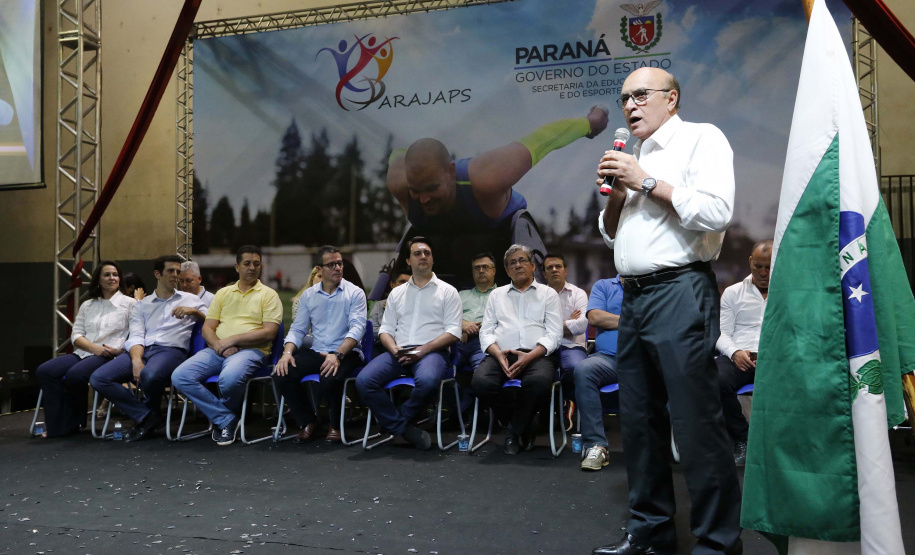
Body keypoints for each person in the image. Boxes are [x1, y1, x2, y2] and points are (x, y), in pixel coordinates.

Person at [592, 68, 741, 555]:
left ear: (671, 98)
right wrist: (617, 193)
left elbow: (717, 212)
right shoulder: (630, 156)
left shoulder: (701, 140)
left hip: (680, 290)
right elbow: (612, 234)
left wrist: (647, 180)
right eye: (624, 100)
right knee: (638, 422)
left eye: (640, 96)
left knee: (696, 423)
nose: (630, 106)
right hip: (634, 296)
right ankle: (651, 536)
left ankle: (718, 544)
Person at [385, 107, 609, 288]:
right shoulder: (399, 181)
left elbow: (543, 140)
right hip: (447, 257)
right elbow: (397, 152)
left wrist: (590, 123)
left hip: (502, 244)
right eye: (417, 190)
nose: (423, 199)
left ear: (451, 172)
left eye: (432, 188)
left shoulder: (487, 178)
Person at [355, 237, 462, 450]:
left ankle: (399, 421)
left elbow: (453, 332)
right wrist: (393, 348)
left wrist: (423, 350)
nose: (423, 256)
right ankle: (404, 429)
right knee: (364, 381)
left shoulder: (448, 291)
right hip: (399, 351)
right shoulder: (397, 293)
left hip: (432, 352)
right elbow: (385, 330)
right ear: (408, 260)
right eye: (417, 253)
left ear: (432, 259)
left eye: (427, 253)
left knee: (429, 380)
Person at [171, 245, 282, 446]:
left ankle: (222, 421)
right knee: (180, 376)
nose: (252, 267)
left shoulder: (269, 295)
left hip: (252, 351)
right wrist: (219, 345)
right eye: (247, 263)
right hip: (218, 350)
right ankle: (226, 419)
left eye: (256, 264)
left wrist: (232, 341)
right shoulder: (223, 293)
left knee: (228, 379)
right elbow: (207, 328)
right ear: (237, 266)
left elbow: (269, 332)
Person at [90, 255, 208, 442]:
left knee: (149, 375)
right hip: (141, 350)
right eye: (170, 271)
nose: (175, 275)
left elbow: (214, 320)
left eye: (178, 271)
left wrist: (195, 312)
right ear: (157, 274)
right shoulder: (142, 305)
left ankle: (146, 419)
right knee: (98, 378)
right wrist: (136, 360)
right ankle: (147, 416)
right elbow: (136, 335)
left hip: (171, 350)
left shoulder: (190, 300)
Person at [472, 244, 562, 455]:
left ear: (533, 266)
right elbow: (486, 331)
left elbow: (554, 334)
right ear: (506, 270)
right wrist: (497, 354)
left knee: (538, 383)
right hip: (501, 354)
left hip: (537, 354)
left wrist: (530, 356)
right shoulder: (497, 295)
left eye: (522, 260)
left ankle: (514, 430)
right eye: (512, 262)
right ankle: (523, 421)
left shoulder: (548, 294)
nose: (518, 265)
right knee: (480, 383)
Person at [272, 246, 367, 444]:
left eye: (339, 263)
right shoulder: (309, 295)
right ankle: (308, 421)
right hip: (318, 350)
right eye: (331, 264)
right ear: (319, 270)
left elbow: (357, 330)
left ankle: (335, 425)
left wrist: (338, 355)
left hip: (347, 352)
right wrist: (287, 353)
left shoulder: (355, 293)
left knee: (329, 375)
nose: (338, 268)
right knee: (282, 372)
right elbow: (298, 329)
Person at [35, 261, 135, 437]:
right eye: (107, 274)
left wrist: (118, 351)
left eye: (115, 274)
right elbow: (76, 335)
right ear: (98, 280)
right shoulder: (88, 305)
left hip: (109, 355)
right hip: (84, 352)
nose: (112, 278)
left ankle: (73, 423)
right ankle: (57, 424)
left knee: (75, 375)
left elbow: (135, 335)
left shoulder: (130, 304)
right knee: (45, 371)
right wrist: (93, 348)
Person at [716, 240, 771, 466]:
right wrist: (735, 352)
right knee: (714, 380)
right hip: (739, 358)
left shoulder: (788, 295)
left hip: (775, 359)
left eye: (769, 267)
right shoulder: (732, 293)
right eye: (758, 266)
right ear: (750, 262)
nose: (764, 272)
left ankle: (782, 442)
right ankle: (742, 437)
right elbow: (721, 334)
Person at [574, 276, 624, 471]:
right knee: (584, 369)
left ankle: (666, 444)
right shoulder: (604, 286)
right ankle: (596, 445)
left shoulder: (651, 284)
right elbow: (594, 317)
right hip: (608, 359)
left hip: (643, 360)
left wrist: (612, 319)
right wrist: (633, 320)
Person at [543, 253, 588, 386]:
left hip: (572, 346)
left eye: (558, 266)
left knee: (576, 368)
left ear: (565, 271)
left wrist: (548, 326)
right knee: (537, 374)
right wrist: (569, 324)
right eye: (549, 267)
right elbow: (533, 327)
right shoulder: (538, 295)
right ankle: (552, 404)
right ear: (544, 274)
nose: (554, 270)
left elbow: (581, 326)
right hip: (545, 347)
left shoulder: (578, 294)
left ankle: (568, 403)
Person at [456, 253, 498, 370]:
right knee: (440, 368)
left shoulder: (502, 294)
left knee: (482, 374)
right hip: (457, 341)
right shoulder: (461, 294)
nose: (481, 270)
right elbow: (446, 316)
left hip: (484, 343)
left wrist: (471, 330)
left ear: (493, 271)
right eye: (477, 268)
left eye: (485, 267)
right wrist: (463, 325)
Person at [367, 269, 412, 350]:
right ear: (392, 284)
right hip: (381, 347)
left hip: (408, 347)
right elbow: (371, 329)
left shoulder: (416, 306)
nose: (405, 285)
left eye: (409, 283)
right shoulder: (379, 305)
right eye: (402, 281)